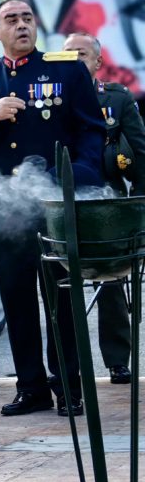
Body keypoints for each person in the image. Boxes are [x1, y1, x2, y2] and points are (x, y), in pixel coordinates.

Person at [0, 0, 106, 417]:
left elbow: (92, 132)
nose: (21, 25)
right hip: (5, 211)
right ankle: (31, 387)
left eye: (27, 18)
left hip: (54, 206)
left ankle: (69, 387)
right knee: (18, 302)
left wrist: (74, 177)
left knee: (62, 301)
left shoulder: (65, 69)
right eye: (11, 20)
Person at [62, 31, 144, 385]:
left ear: (97, 61)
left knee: (111, 279)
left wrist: (137, 206)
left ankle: (117, 360)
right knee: (61, 283)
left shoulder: (116, 98)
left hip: (107, 200)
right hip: (61, 198)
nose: (74, 60)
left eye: (81, 54)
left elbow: (140, 153)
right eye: (67, 55)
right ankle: (66, 366)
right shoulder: (51, 98)